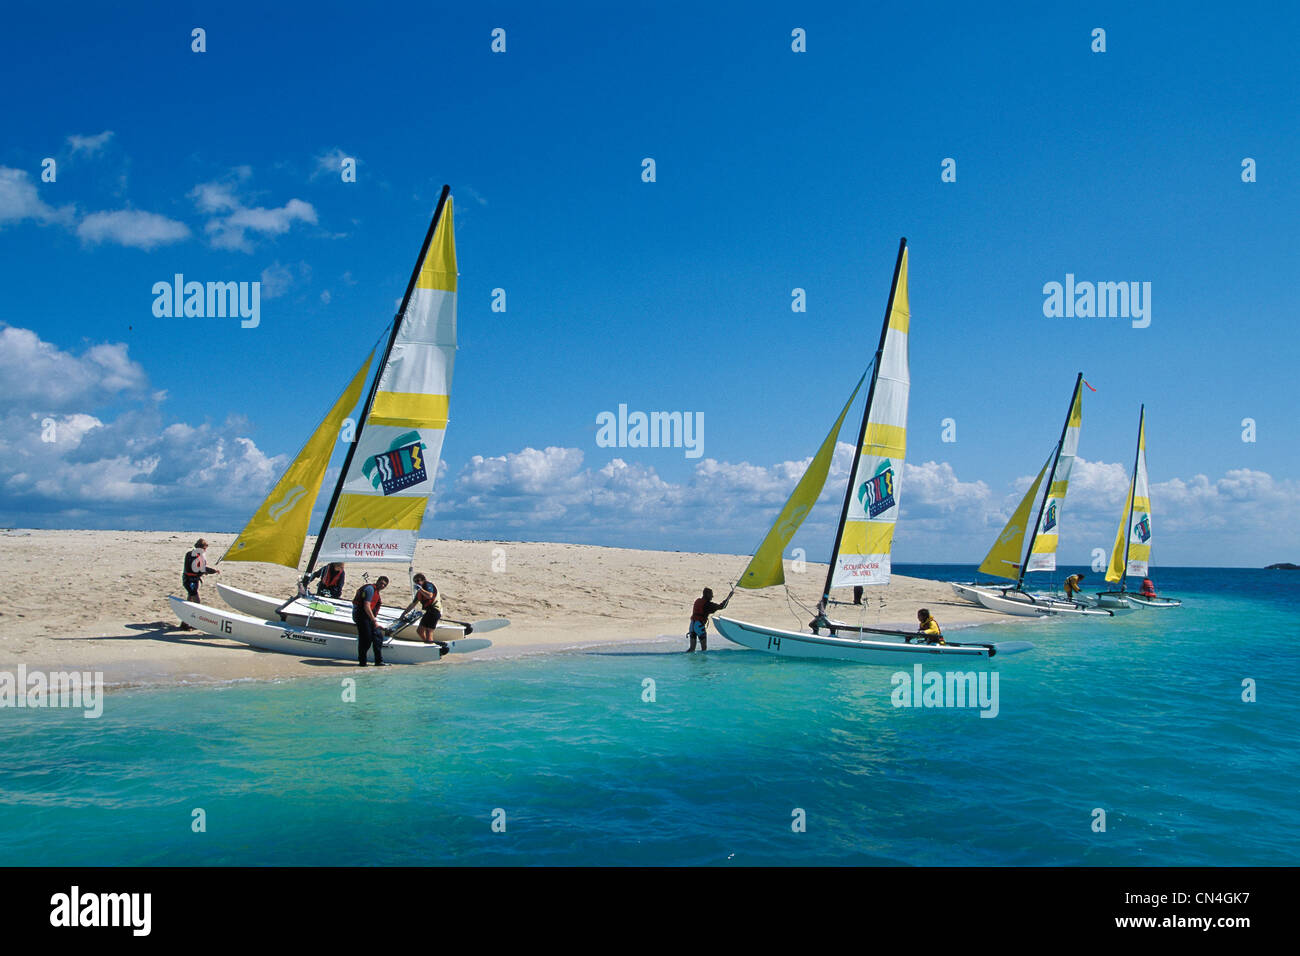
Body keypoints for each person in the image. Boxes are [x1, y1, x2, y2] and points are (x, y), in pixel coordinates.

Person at [179, 538, 220, 630]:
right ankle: (194, 622)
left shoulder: (192, 554)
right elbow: (201, 568)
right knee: (196, 601)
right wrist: (214, 571)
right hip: (190, 581)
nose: (205, 551)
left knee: (190, 600)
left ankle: (184, 623)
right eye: (205, 549)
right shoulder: (194, 555)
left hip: (191, 580)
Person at [402, 573, 448, 651]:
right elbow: (413, 604)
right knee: (419, 631)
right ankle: (427, 643)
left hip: (435, 610)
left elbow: (430, 595)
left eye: (418, 581)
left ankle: (431, 648)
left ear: (423, 580)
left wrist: (420, 589)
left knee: (428, 632)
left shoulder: (428, 585)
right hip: (429, 611)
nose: (416, 583)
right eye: (415, 581)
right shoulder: (420, 592)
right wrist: (403, 614)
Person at [352, 576, 390, 666]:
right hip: (362, 616)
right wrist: (374, 620)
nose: (382, 585)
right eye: (381, 583)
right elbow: (366, 606)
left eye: (385, 585)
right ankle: (362, 662)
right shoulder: (370, 589)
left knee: (378, 636)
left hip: (368, 617)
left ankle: (379, 661)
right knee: (366, 639)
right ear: (377, 582)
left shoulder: (376, 592)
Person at [687, 587, 732, 653]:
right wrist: (729, 597)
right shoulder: (708, 604)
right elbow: (722, 606)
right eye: (711, 595)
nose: (712, 596)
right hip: (699, 626)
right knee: (704, 649)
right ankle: (702, 662)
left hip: (692, 625)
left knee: (691, 649)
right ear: (707, 594)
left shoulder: (697, 601)